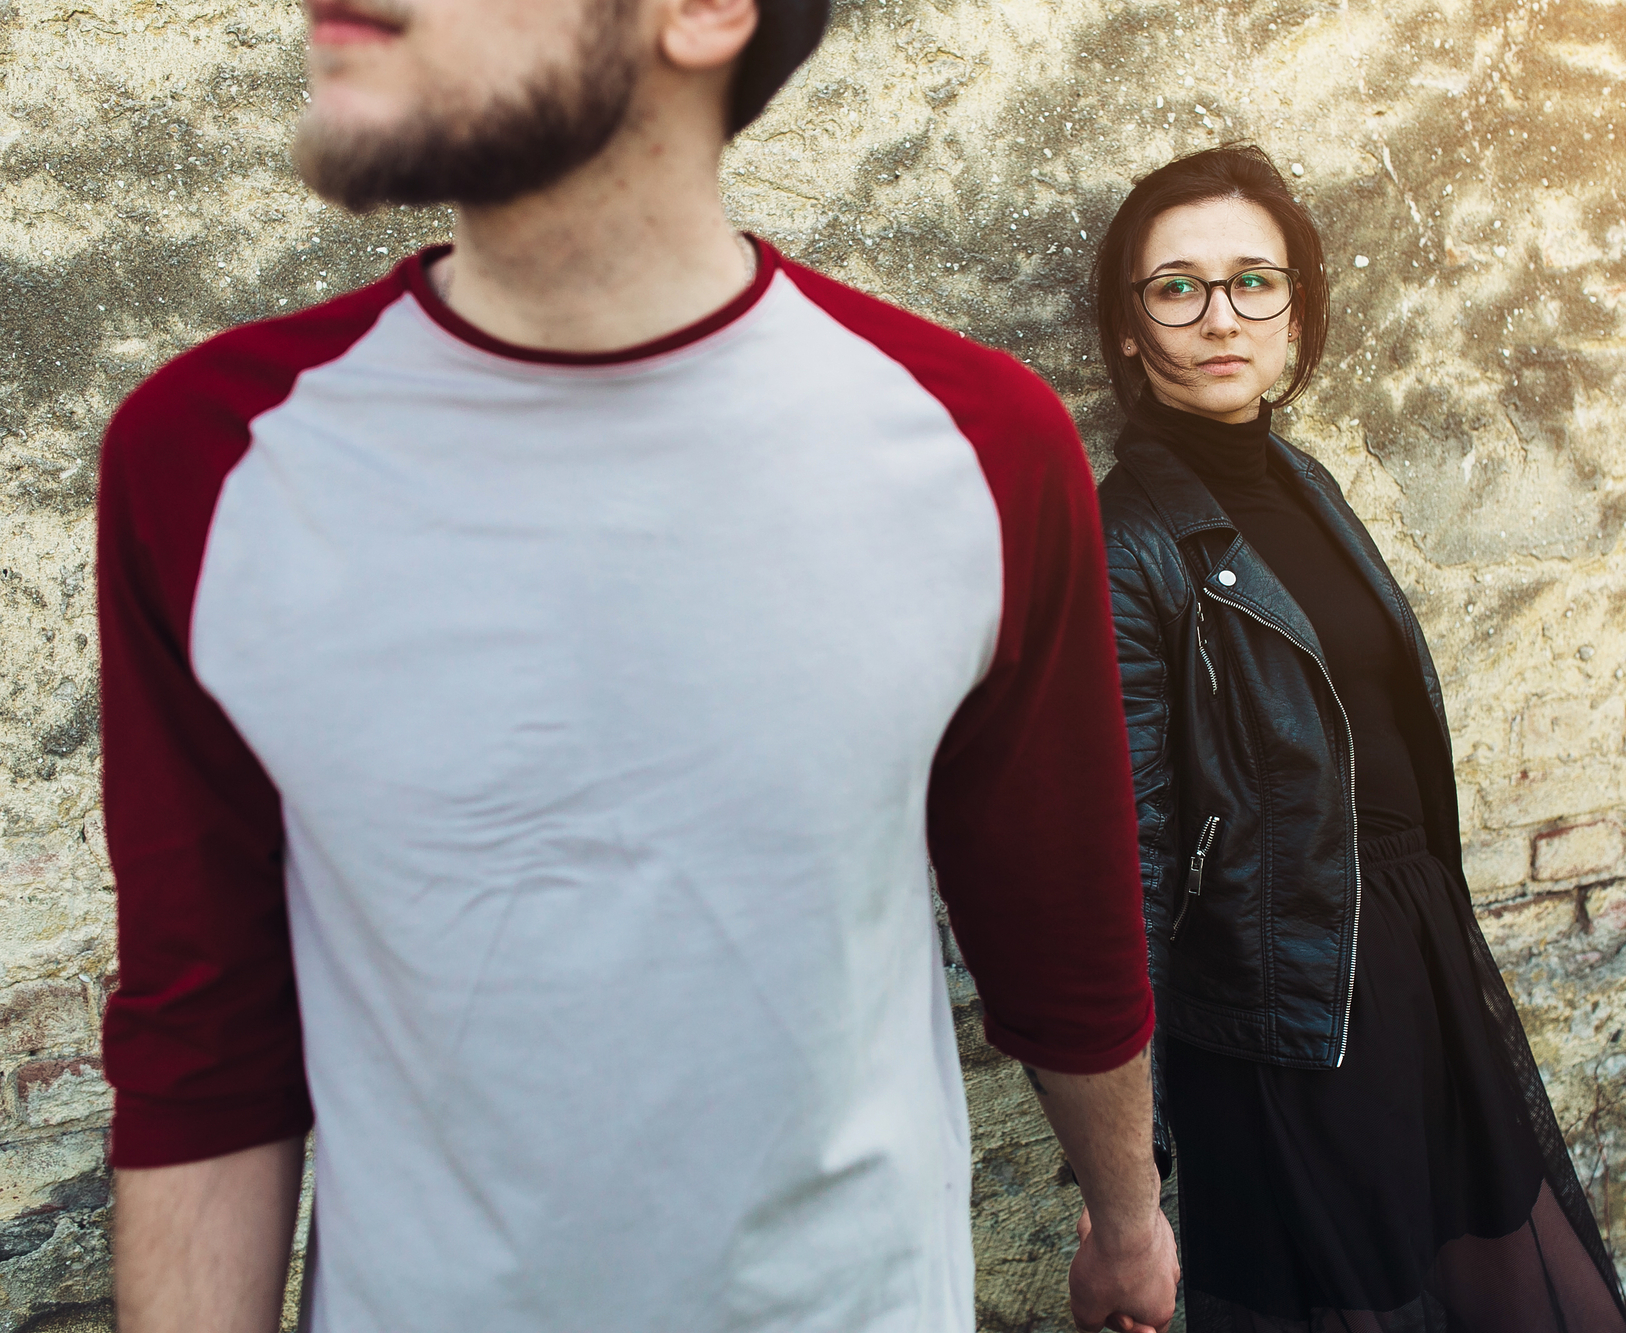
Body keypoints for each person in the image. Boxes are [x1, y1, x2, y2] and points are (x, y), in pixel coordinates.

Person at [95, 1, 1179, 1329]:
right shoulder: (207, 462)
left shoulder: (975, 446)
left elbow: (1060, 934)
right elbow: (205, 1049)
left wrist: (1127, 1221)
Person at [1091, 143, 1626, 1333]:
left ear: (1297, 310)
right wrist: (1124, 1183)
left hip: (1409, 949)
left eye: (1253, 281)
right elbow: (1126, 849)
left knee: (1524, 1299)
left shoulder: (1301, 482)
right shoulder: (1123, 539)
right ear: (1127, 330)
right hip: (1283, 1004)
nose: (1219, 315)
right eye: (1174, 287)